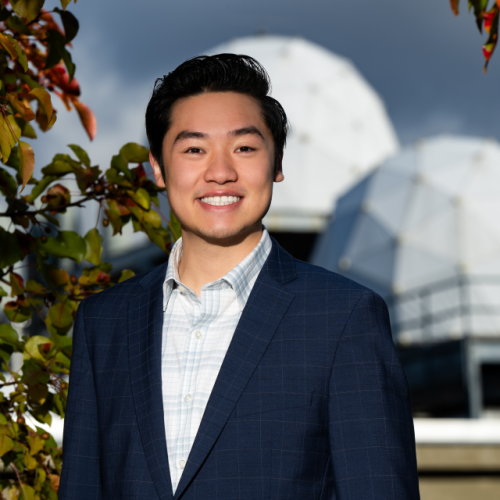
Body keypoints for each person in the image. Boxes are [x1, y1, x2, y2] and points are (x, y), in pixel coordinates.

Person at [59, 54, 420, 500]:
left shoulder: (343, 319)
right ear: (158, 168)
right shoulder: (104, 323)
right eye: (194, 149)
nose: (220, 172)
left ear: (277, 162)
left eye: (244, 148)